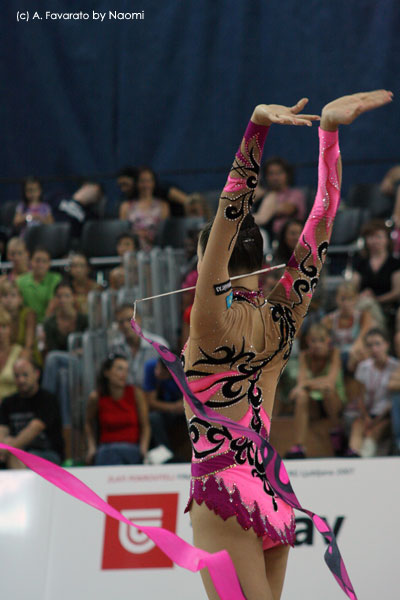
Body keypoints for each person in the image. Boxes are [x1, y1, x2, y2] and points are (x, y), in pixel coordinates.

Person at [159, 91, 393, 600]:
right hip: (272, 492)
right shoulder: (282, 319)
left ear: (209, 260)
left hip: (222, 491)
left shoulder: (209, 318)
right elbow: (322, 220)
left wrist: (256, 129)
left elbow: (231, 207)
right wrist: (327, 135)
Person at [285, 323, 346, 458]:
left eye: (321, 340)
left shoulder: (334, 353)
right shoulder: (304, 356)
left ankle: (336, 431)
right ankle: (299, 446)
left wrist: (306, 384)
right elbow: (301, 384)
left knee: (327, 392)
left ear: (328, 341)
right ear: (307, 341)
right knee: (301, 396)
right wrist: (306, 385)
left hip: (334, 403)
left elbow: (330, 383)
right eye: (314, 340)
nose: (317, 344)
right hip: (314, 404)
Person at [85, 354, 150, 466]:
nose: (124, 374)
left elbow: (146, 426)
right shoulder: (96, 397)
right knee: (108, 455)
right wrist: (91, 447)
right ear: (107, 372)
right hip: (107, 448)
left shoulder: (136, 393)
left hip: (131, 448)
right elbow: (88, 423)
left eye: (126, 370)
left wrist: (144, 449)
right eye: (119, 369)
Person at [0, 358, 63, 468]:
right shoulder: (8, 402)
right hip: (14, 450)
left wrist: (8, 448)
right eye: (17, 376)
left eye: (25, 375)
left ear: (36, 374)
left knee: (17, 455)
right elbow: (2, 430)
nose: (21, 380)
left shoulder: (48, 399)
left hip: (47, 454)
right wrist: (5, 446)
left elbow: (34, 428)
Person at [346, 328, 399, 457]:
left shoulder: (395, 367)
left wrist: (375, 420)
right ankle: (353, 453)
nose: (374, 349)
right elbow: (359, 396)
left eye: (378, 344)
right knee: (357, 425)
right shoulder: (363, 367)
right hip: (366, 413)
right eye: (370, 345)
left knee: (376, 430)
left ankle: (365, 456)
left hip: (385, 415)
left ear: (387, 345)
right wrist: (366, 417)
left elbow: (392, 402)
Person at [351, 219, 400, 327]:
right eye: (370, 237)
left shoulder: (395, 263)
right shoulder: (360, 263)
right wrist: (361, 296)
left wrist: (376, 299)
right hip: (362, 304)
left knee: (367, 305)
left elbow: (397, 292)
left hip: (387, 306)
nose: (374, 241)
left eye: (378, 236)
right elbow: (352, 288)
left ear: (387, 240)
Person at [110, 304, 169, 389]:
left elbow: (170, 377)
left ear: (139, 319)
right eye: (121, 322)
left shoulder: (159, 345)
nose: (126, 325)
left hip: (154, 395)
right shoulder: (114, 348)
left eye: (129, 319)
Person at [322, 281, 373, 372]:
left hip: (355, 355)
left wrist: (354, 351)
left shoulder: (363, 316)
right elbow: (325, 343)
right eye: (342, 299)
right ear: (336, 299)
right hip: (336, 357)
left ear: (356, 299)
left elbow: (361, 340)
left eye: (350, 299)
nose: (346, 303)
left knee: (362, 353)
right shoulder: (328, 319)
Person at [253, 157, 306, 241]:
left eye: (279, 173)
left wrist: (265, 210)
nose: (275, 178)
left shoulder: (295, 194)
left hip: (288, 239)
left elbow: (287, 209)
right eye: (271, 174)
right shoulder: (265, 195)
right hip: (266, 236)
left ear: (287, 175)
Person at [119, 167, 170, 251]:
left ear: (154, 183)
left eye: (148, 181)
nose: (145, 185)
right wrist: (136, 235)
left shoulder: (163, 206)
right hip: (133, 248)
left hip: (156, 248)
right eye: (142, 181)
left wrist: (148, 236)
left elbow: (164, 233)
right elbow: (123, 233)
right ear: (137, 183)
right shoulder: (126, 206)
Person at [142, 357, 184, 451]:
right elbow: (150, 402)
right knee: (153, 418)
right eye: (157, 368)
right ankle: (164, 452)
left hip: (183, 411)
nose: (158, 373)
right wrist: (174, 407)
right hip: (163, 410)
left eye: (163, 373)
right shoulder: (150, 367)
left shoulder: (184, 373)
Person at [16, 246, 62, 323]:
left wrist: (44, 326)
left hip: (49, 324)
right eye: (37, 260)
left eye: (44, 261)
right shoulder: (20, 281)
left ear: (49, 263)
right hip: (26, 323)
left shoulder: (56, 279)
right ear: (31, 261)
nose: (40, 265)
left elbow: (53, 305)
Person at [0, 280, 38, 363]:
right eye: (5, 295)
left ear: (20, 299)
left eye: (13, 296)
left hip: (25, 358)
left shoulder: (28, 314)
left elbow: (29, 346)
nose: (9, 300)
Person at [0, 307, 23, 402]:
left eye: (4, 327)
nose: (0, 331)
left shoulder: (20, 352)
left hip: (13, 406)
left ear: (11, 329)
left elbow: (24, 384)